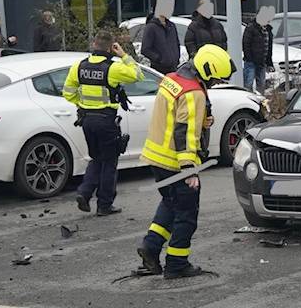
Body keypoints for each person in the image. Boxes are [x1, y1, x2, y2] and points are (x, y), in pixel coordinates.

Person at [136, 44, 232, 280]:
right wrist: (189, 169)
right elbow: (184, 131)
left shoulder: (173, 78)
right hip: (177, 162)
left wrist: (202, 121)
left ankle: (151, 246)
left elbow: (175, 117)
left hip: (157, 157)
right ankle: (177, 263)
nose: (216, 84)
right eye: (216, 80)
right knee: (187, 214)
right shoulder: (193, 93)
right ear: (207, 71)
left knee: (171, 204)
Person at [63, 31, 143, 216]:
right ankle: (104, 205)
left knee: (97, 158)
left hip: (87, 120)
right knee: (109, 162)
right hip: (106, 120)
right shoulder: (113, 68)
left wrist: (82, 104)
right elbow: (137, 75)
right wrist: (123, 55)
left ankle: (84, 193)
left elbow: (68, 92)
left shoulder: (79, 66)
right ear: (110, 48)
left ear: (94, 45)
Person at [241, 14, 273, 92]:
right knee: (248, 84)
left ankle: (261, 101)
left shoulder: (268, 30)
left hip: (262, 62)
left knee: (261, 85)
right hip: (251, 62)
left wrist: (269, 63)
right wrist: (249, 58)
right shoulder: (251, 28)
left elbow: (269, 48)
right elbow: (246, 44)